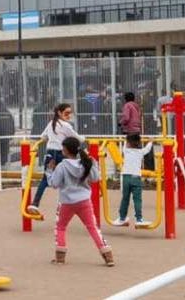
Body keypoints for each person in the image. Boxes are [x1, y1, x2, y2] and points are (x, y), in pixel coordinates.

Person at [46, 136, 113, 266]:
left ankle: (60, 256)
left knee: (60, 227)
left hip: (66, 202)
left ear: (65, 150)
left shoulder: (61, 166)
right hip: (84, 200)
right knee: (92, 228)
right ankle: (107, 255)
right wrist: (93, 163)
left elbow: (54, 184)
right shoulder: (86, 163)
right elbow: (95, 178)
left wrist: (49, 171)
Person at [27, 103, 84, 216]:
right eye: (66, 113)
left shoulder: (51, 124)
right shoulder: (66, 126)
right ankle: (61, 207)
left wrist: (50, 138)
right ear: (59, 113)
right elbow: (77, 138)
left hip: (50, 155)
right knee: (65, 181)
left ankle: (35, 203)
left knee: (45, 179)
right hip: (61, 155)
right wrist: (84, 139)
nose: (69, 116)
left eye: (70, 113)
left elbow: (43, 137)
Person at [113, 134, 153, 227]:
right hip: (136, 178)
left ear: (128, 144)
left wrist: (124, 139)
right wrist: (150, 141)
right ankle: (139, 219)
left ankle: (122, 218)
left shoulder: (126, 150)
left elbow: (125, 143)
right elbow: (147, 149)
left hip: (126, 177)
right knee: (137, 199)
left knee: (125, 198)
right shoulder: (140, 152)